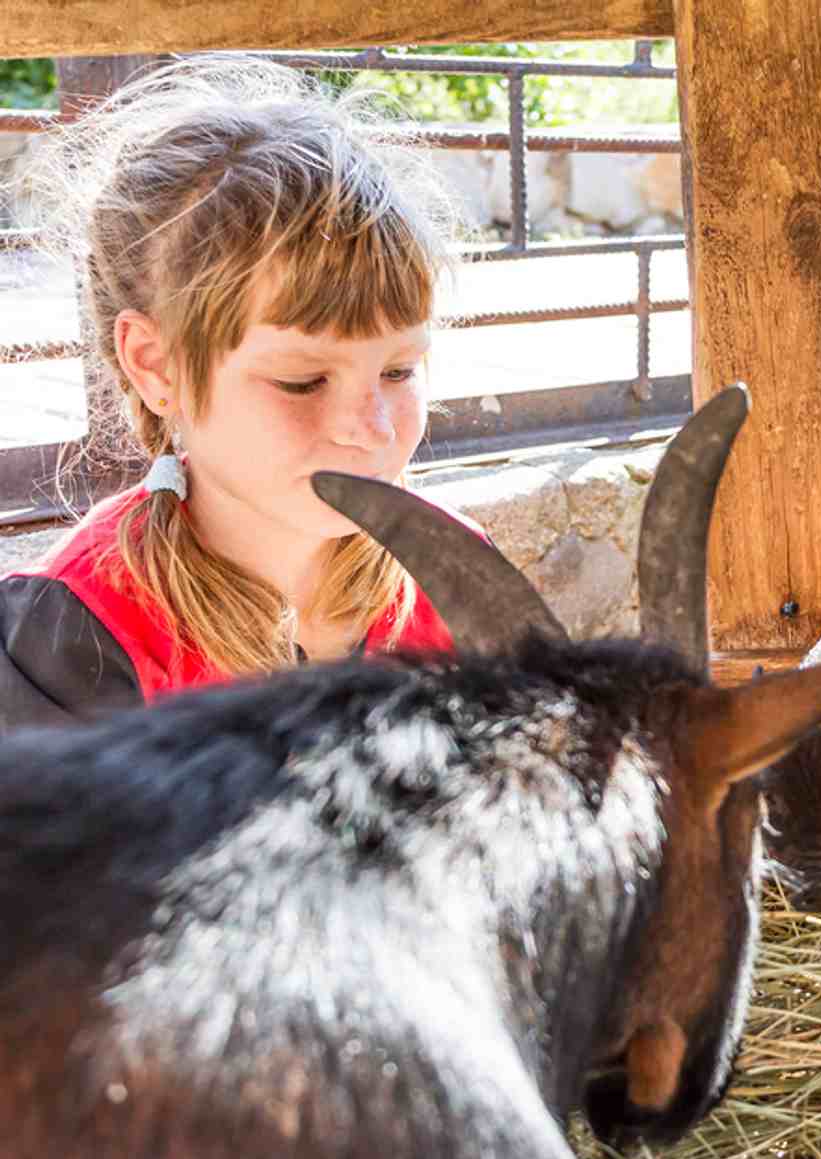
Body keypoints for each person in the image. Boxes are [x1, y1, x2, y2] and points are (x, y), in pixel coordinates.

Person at [0, 56, 472, 733]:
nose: (372, 428)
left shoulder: (458, 576)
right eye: (302, 381)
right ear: (155, 365)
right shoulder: (69, 644)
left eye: (398, 371)